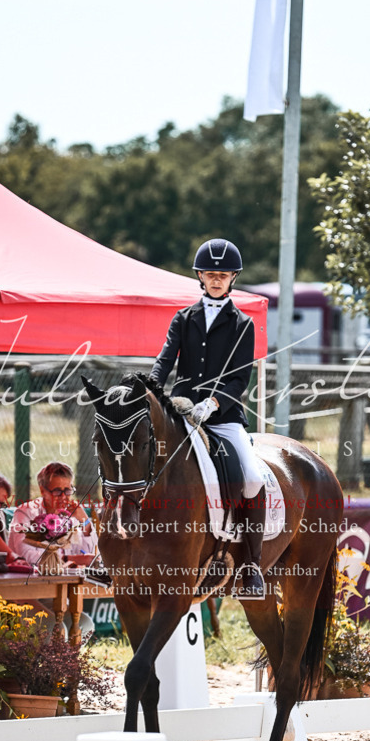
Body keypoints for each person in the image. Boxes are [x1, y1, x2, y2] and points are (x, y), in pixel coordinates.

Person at [150, 238, 266, 598]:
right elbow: (165, 360)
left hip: (223, 417)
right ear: (200, 276)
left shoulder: (242, 324)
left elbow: (240, 377)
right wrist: (150, 390)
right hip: (183, 413)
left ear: (233, 278)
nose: (216, 280)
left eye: (223, 274)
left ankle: (252, 565)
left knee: (249, 477)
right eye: (211, 274)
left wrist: (213, 404)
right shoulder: (183, 319)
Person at [8, 462, 98, 568]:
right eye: (57, 491)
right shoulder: (26, 512)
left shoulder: (72, 514)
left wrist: (85, 521)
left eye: (67, 490)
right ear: (42, 490)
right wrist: (67, 559)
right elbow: (26, 554)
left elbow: (89, 555)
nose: (63, 496)